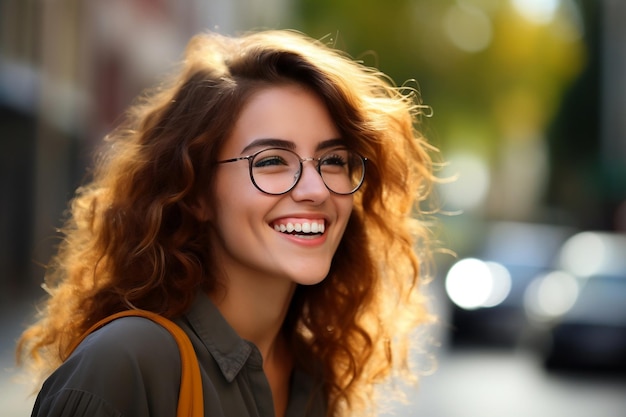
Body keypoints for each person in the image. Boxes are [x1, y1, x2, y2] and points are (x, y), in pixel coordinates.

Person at [17, 29, 439, 417]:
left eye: (333, 160)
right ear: (196, 193)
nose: (316, 189)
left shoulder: (313, 382)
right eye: (272, 161)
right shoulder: (124, 365)